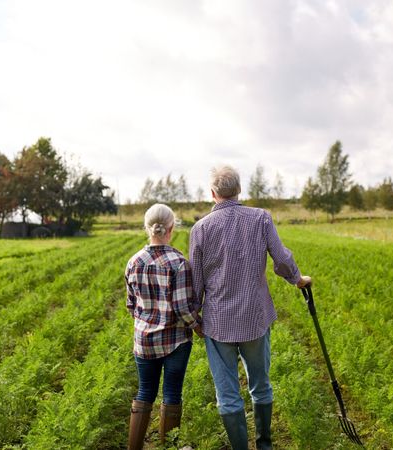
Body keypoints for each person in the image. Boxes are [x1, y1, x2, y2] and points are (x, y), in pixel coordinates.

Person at [189, 165, 311, 450]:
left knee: (228, 395)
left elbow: (195, 280)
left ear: (213, 193)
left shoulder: (201, 229)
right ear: (239, 189)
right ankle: (264, 446)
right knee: (261, 385)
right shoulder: (260, 218)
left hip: (218, 322)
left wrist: (194, 317)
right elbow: (281, 259)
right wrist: (298, 279)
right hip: (255, 317)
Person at [125, 203, 204, 450]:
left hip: (144, 341)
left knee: (145, 392)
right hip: (175, 341)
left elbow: (131, 305)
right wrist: (198, 326)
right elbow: (182, 307)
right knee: (171, 394)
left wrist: (146, 321)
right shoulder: (178, 262)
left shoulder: (133, 261)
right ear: (172, 228)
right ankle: (167, 447)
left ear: (147, 228)